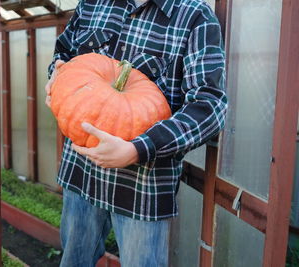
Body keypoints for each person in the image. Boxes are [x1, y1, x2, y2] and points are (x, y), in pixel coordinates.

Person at [45, 0, 227, 266]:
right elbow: (64, 54)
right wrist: (56, 79)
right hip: (82, 169)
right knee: (74, 260)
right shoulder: (93, 4)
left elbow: (209, 107)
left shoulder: (195, 17)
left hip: (142, 185)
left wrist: (138, 149)